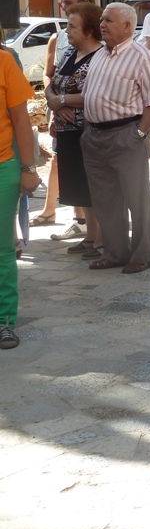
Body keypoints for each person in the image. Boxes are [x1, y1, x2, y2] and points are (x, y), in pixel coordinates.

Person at [80, 2, 150, 275]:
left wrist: (138, 134)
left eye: (109, 20)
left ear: (127, 26)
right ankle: (115, 253)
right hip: (95, 137)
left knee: (136, 200)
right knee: (105, 200)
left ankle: (141, 255)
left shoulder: (141, 57)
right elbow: (89, 95)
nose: (102, 24)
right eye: (102, 19)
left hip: (126, 136)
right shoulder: (99, 55)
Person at [32, 0, 95, 235]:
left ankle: (85, 223)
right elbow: (50, 75)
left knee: (82, 168)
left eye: (69, 2)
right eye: (63, 2)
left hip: (83, 118)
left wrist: (62, 101)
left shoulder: (97, 45)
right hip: (59, 110)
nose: (63, 6)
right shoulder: (59, 40)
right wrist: (55, 105)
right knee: (60, 161)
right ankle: (54, 211)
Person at [43, 3, 104, 259]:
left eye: (72, 26)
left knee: (92, 184)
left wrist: (62, 101)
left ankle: (101, 239)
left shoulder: (101, 57)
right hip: (66, 131)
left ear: (89, 30)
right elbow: (52, 84)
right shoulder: (70, 53)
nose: (66, 31)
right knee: (79, 185)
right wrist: (55, 104)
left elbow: (96, 95)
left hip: (87, 131)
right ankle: (90, 235)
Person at [0, 42, 43, 348]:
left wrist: (28, 168)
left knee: (2, 248)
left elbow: (20, 120)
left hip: (2, 166)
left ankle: (4, 322)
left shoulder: (4, 61)